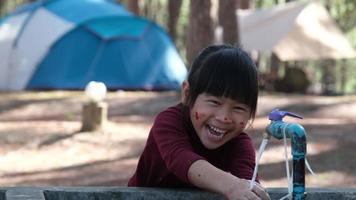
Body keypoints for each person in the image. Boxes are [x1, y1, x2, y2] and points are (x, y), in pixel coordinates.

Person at [128, 44, 270, 200]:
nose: (224, 117)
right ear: (187, 94)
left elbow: (247, 185)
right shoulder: (169, 122)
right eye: (215, 102)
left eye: (238, 108)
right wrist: (232, 185)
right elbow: (181, 159)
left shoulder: (240, 145)